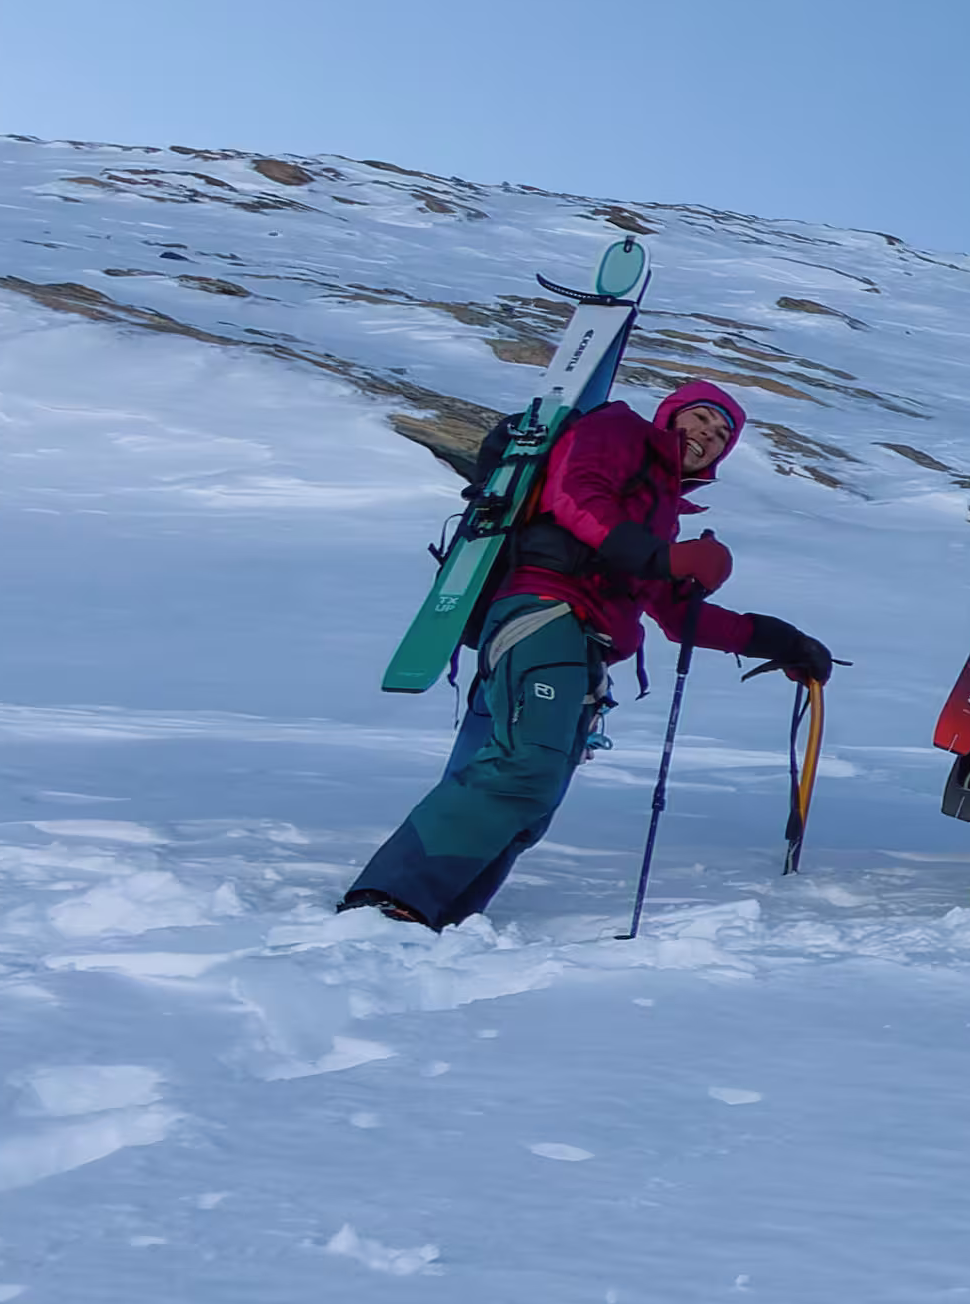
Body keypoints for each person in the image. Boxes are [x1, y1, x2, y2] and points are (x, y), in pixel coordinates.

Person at [343, 379, 827, 928]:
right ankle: (388, 898)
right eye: (701, 419)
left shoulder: (662, 509)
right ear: (670, 415)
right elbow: (575, 495)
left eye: (721, 436)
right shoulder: (618, 430)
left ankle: (445, 916)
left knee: (538, 790)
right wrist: (661, 556)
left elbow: (675, 615)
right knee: (526, 766)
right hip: (546, 610)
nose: (708, 437)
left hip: (585, 645)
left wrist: (783, 642)